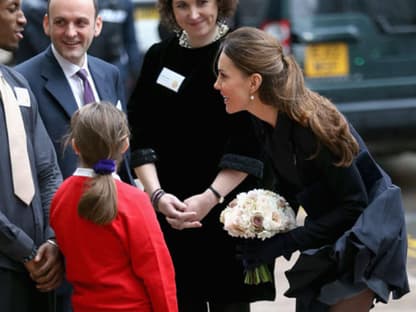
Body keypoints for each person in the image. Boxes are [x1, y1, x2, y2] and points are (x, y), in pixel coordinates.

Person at [214, 26, 410, 311]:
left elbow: (354, 206)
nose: (216, 85)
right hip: (329, 237)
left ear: (254, 82)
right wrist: (262, 225)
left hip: (365, 239)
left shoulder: (310, 128)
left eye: (223, 75)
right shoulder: (262, 122)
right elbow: (291, 185)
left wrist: (285, 243)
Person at [127, 1, 276, 311]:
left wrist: (209, 198)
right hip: (174, 216)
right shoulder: (159, 57)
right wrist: (157, 195)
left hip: (228, 214)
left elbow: (252, 139)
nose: (193, 15)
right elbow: (140, 131)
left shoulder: (242, 52)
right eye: (182, 5)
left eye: (202, 3)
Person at [15, 0, 136, 310]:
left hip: (116, 238)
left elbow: (123, 153)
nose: (70, 33)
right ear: (45, 25)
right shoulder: (21, 81)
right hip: (62, 247)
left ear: (97, 26)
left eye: (80, 23)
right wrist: (54, 240)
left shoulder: (109, 74)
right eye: (60, 23)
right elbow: (26, 169)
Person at [49, 102, 178, 312]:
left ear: (75, 146)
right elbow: (158, 275)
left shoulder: (60, 197)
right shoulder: (134, 200)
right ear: (125, 145)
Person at [0, 0, 64, 311]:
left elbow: (48, 170)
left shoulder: (17, 83)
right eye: (11, 8)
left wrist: (53, 241)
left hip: (41, 265)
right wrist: (23, 249)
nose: (23, 19)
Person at [88, 0, 142, 98]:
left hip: (117, 67)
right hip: (90, 66)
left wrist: (136, 73)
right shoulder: (86, 3)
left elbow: (130, 41)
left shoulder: (125, 4)